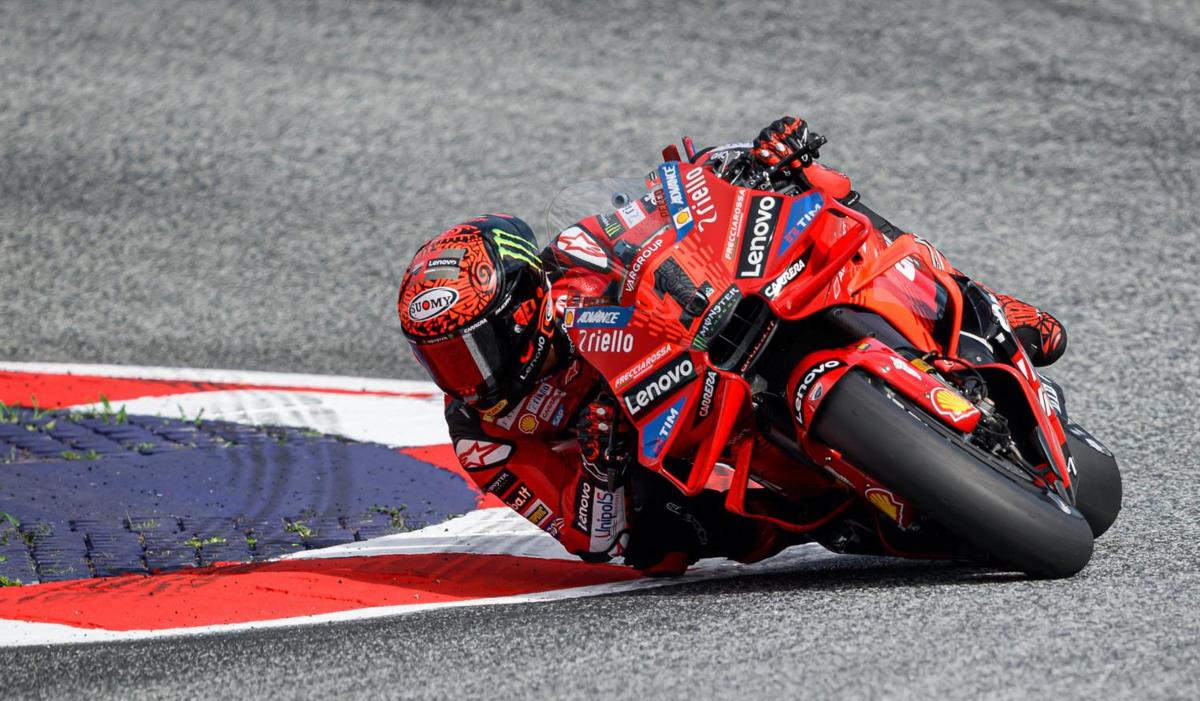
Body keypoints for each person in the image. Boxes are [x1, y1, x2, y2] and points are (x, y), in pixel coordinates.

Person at [396, 117, 1067, 575]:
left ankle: (969, 299)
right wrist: (602, 471)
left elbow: (669, 209)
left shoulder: (572, 259)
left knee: (820, 205)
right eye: (444, 360)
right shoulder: (485, 438)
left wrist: (747, 162)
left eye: (471, 348)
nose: (463, 376)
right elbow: (595, 542)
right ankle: (846, 488)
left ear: (522, 309)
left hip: (701, 347)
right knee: (668, 538)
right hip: (664, 466)